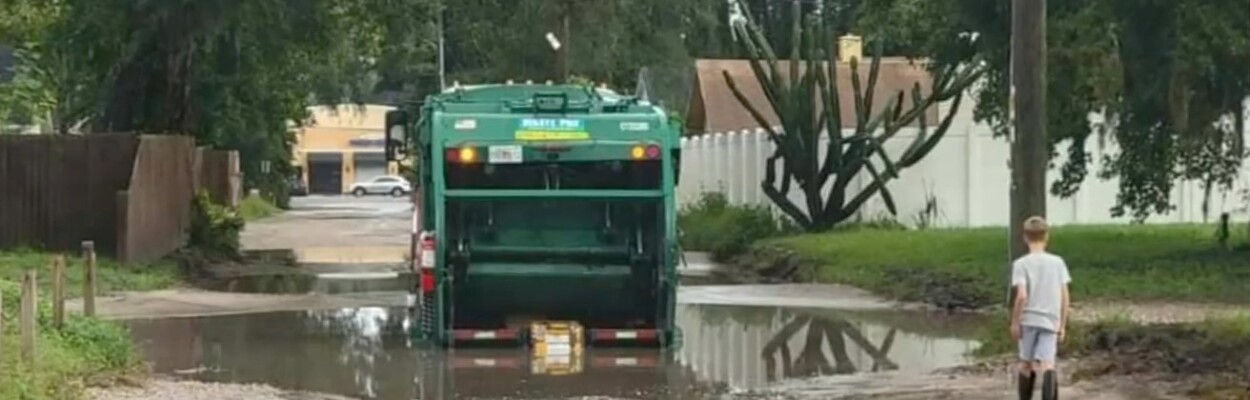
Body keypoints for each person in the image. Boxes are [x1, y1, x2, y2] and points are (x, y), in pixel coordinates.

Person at [1010, 216, 1071, 400]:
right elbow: (1065, 295)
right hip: (1050, 319)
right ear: (1047, 236)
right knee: (1048, 364)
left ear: (1025, 237)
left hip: (1028, 320)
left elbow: (1022, 296)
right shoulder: (1057, 262)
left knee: (1026, 363)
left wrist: (1014, 322)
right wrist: (1062, 323)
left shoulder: (1021, 264)